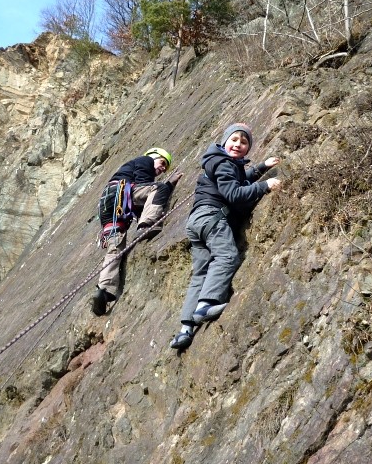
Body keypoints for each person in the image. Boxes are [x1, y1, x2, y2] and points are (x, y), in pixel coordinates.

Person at [170, 123, 281, 350]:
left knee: (200, 273)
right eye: (234, 139)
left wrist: (261, 167)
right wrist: (265, 185)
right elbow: (233, 193)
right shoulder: (225, 163)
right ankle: (205, 305)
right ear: (224, 141)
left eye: (244, 142)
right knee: (227, 256)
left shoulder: (220, 163)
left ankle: (185, 329)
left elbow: (238, 178)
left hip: (197, 222)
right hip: (213, 218)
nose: (238, 144)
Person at [91, 147, 182, 316]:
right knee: (158, 188)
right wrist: (168, 185)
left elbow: (141, 200)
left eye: (165, 168)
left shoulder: (129, 169)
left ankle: (104, 290)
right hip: (121, 194)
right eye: (163, 163)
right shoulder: (144, 160)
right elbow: (145, 186)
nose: (162, 169)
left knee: (115, 246)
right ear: (154, 157)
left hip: (109, 206)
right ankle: (146, 225)